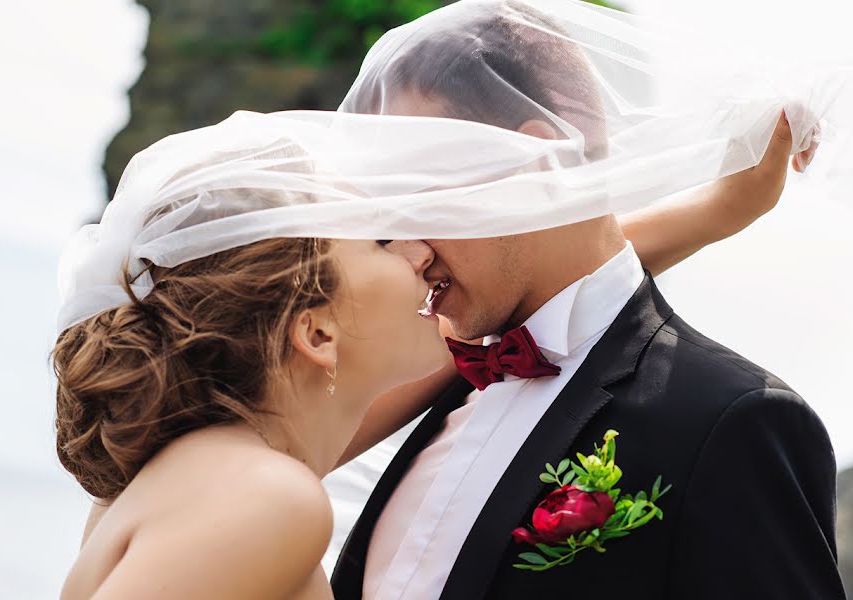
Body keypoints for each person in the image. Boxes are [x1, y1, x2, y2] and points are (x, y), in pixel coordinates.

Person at [53, 110, 813, 599]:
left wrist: (710, 216)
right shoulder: (264, 498)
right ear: (316, 335)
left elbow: (548, 311)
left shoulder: (197, 465)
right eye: (380, 239)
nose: (418, 250)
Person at [330, 2, 844, 599]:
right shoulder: (430, 390)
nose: (405, 251)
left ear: (537, 161)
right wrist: (712, 215)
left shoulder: (733, 421)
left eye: (416, 199)